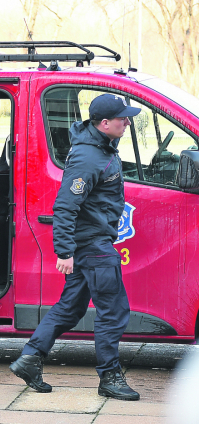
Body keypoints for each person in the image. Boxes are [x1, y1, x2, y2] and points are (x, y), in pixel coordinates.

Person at [9, 94, 140, 401]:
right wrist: (64, 251)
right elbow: (65, 206)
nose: (128, 122)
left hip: (91, 243)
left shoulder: (100, 148)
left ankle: (30, 358)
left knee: (71, 308)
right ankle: (110, 376)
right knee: (114, 310)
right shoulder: (88, 158)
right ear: (104, 123)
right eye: (123, 118)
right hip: (93, 246)